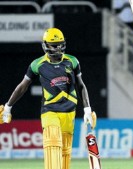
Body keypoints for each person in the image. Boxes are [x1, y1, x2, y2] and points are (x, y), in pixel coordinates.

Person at [0, 28, 97, 169]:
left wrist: (87, 109)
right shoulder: (37, 65)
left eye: (59, 44)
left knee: (64, 153)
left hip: (69, 112)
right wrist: (8, 107)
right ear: (45, 45)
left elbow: (81, 85)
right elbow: (22, 87)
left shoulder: (72, 61)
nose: (57, 48)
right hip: (49, 111)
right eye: (54, 44)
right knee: (52, 143)